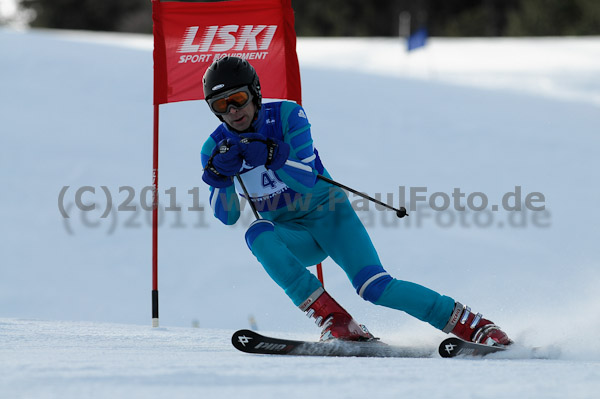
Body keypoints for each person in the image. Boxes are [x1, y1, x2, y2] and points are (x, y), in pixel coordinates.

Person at [200, 56, 511, 345]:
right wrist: (219, 178)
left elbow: (306, 178)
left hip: (330, 217)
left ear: (255, 93)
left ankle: (474, 325)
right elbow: (227, 216)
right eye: (221, 104)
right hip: (294, 236)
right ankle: (336, 321)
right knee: (255, 233)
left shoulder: (286, 116)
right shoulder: (215, 148)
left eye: (238, 99)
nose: (232, 111)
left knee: (374, 287)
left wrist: (272, 154)